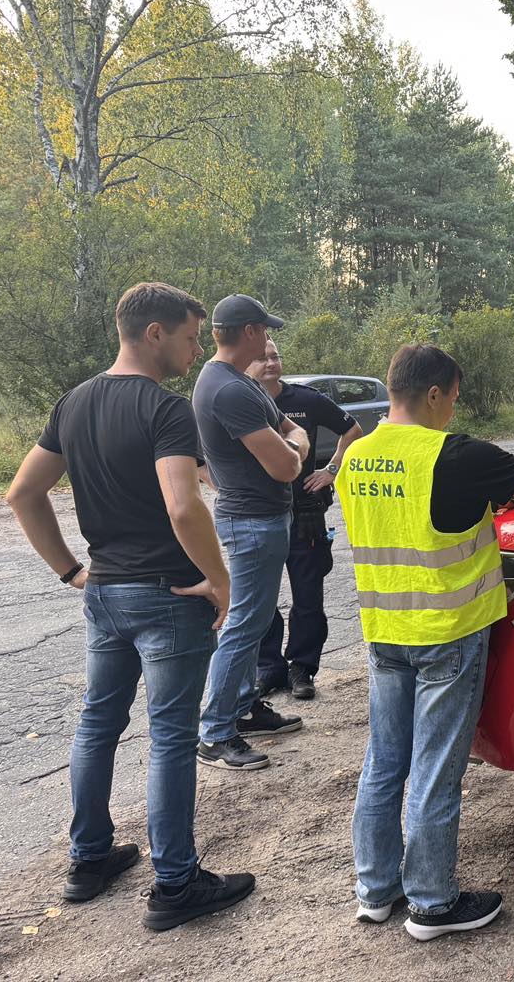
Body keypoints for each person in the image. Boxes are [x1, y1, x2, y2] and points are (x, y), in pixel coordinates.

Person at [5, 282, 255, 931]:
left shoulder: (74, 403)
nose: (196, 349)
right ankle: (175, 885)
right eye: (191, 337)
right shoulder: (166, 410)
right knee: (172, 738)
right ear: (155, 333)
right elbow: (182, 505)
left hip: (106, 593)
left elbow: (23, 493)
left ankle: (89, 860)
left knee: (97, 724)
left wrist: (71, 571)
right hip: (171, 597)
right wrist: (221, 580)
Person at [338, 343, 514, 941]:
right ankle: (433, 904)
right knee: (435, 769)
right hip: (447, 634)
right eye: (453, 401)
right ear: (436, 394)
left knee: (383, 764)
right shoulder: (455, 454)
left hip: (384, 632)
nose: (453, 413)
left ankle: (375, 890)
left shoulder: (355, 457)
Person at [192, 294, 307, 771]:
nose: (267, 339)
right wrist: (296, 448)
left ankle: (243, 707)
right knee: (242, 625)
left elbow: (291, 429)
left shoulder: (238, 382)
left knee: (252, 621)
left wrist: (293, 442)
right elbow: (286, 465)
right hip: (252, 523)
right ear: (250, 332)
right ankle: (215, 732)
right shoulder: (230, 390)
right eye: (264, 330)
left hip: (259, 518)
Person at [246, 339, 363, 699]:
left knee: (308, 597)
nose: (271, 363)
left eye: (275, 356)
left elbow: (353, 430)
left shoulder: (305, 400)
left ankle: (302, 668)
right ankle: (270, 669)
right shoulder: (239, 401)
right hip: (258, 514)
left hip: (305, 515)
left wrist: (331, 470)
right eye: (262, 358)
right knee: (261, 599)